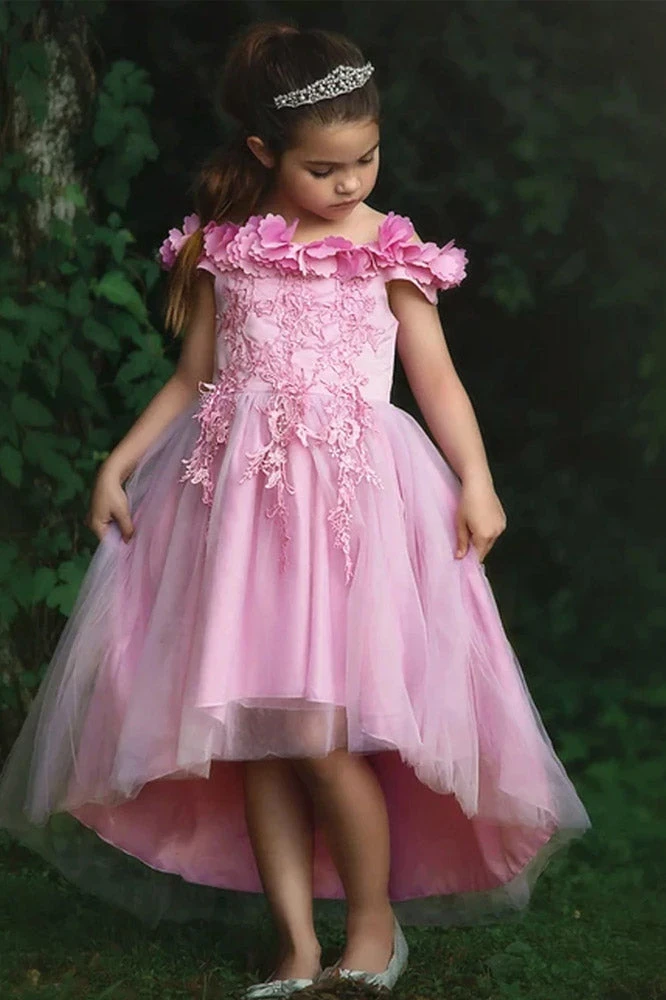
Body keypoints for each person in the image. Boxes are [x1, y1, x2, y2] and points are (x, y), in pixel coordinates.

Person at [0, 20, 592, 1000]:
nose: (351, 181)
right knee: (262, 743)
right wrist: (120, 461)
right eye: (325, 168)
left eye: (367, 158)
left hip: (350, 513)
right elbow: (192, 378)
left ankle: (373, 930)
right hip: (240, 516)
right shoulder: (225, 248)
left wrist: (477, 478)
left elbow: (436, 380)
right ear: (264, 151)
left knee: (321, 738)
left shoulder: (385, 249)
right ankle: (295, 947)